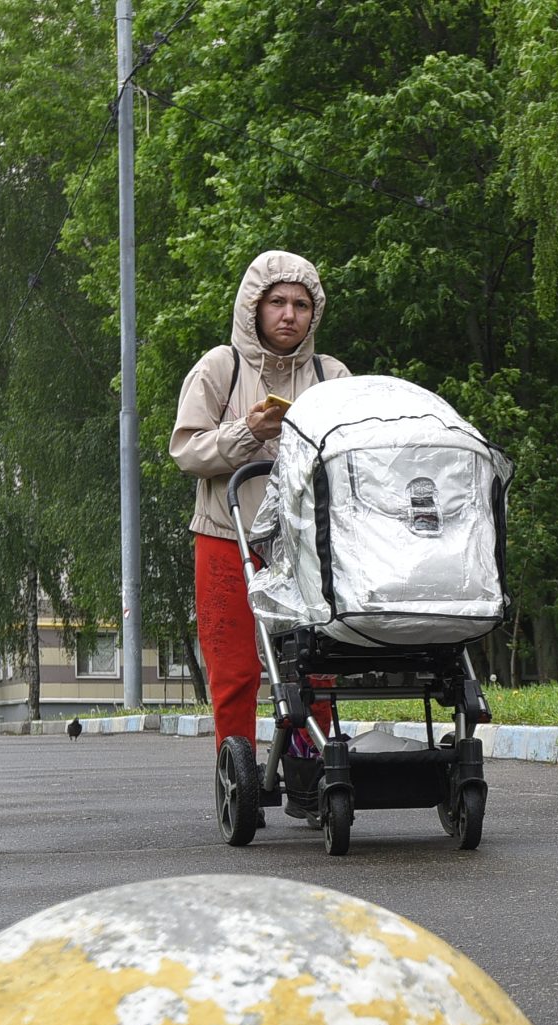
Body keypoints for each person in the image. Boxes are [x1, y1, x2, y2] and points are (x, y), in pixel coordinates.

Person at [168, 250, 348, 752]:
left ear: (315, 314)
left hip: (306, 544)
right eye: (277, 302)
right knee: (235, 669)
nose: (289, 314)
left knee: (317, 663)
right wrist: (248, 431)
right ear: (254, 307)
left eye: (301, 305)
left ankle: (312, 763)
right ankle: (239, 772)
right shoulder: (219, 368)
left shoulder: (331, 376)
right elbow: (185, 449)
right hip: (228, 534)